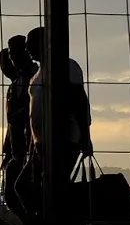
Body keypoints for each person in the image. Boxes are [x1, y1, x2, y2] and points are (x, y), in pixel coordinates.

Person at [26, 25, 93, 184]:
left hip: (65, 140)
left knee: (54, 184)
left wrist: (85, 137)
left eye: (31, 43)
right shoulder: (37, 75)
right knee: (32, 184)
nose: (27, 47)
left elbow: (80, 102)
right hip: (41, 142)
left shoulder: (66, 66)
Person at [0, 34, 39, 216]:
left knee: (21, 189)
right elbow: (12, 123)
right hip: (17, 148)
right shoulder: (16, 84)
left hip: (33, 146)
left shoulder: (36, 78)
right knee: (12, 192)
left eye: (14, 55)